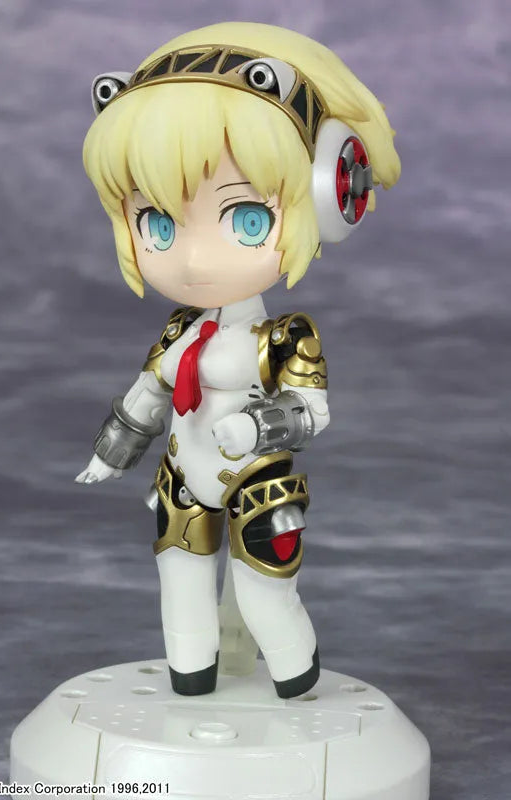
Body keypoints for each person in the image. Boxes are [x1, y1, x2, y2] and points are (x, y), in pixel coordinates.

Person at [76, 21, 400, 698]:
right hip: (182, 479)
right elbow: (147, 394)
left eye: (246, 218)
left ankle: (296, 682)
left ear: (330, 197)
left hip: (259, 484)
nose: (193, 259)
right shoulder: (179, 331)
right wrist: (112, 452)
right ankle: (190, 680)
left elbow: (312, 412)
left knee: (264, 597)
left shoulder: (283, 337)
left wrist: (255, 428)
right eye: (156, 223)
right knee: (180, 585)